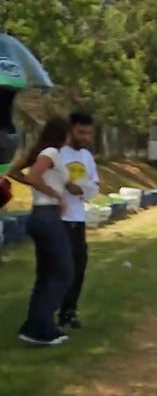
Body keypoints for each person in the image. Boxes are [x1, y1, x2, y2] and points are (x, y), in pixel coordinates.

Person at [7, 116, 73, 346]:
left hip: (41, 215)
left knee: (46, 274)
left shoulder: (45, 153)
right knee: (63, 272)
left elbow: (16, 172)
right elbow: (34, 176)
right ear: (62, 133)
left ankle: (34, 326)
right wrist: (56, 196)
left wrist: (46, 190)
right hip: (47, 216)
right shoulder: (51, 152)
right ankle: (41, 329)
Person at [58, 111, 100, 329]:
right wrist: (66, 186)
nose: (85, 137)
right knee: (60, 268)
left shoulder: (87, 157)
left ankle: (69, 312)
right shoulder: (58, 154)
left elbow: (94, 183)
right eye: (81, 132)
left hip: (78, 217)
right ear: (71, 130)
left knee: (78, 266)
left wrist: (87, 190)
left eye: (88, 133)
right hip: (58, 217)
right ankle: (47, 312)